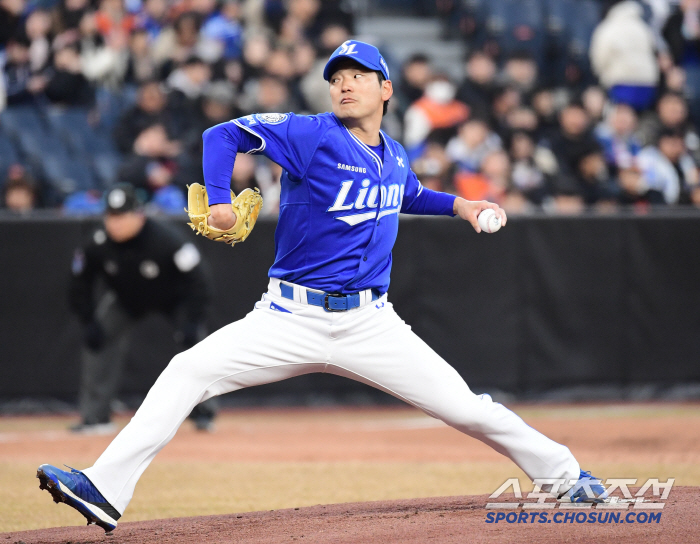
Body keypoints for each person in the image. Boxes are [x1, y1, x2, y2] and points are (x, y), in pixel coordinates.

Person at [37, 41, 606, 533]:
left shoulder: (394, 154)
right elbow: (221, 135)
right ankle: (104, 489)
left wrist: (460, 204)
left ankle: (565, 475)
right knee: (187, 370)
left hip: (370, 323)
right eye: (336, 78)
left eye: (358, 76)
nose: (343, 85)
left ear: (385, 89)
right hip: (288, 317)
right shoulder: (312, 135)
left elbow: (408, 194)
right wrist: (216, 201)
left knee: (468, 408)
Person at [67, 183, 215, 435]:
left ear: (139, 215)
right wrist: (89, 321)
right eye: (111, 217)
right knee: (98, 339)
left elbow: (198, 281)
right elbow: (79, 283)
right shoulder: (97, 243)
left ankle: (203, 412)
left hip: (173, 298)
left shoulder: (167, 239)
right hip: (126, 300)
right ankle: (95, 416)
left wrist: (191, 321)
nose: (116, 224)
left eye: (122, 216)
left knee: (196, 346)